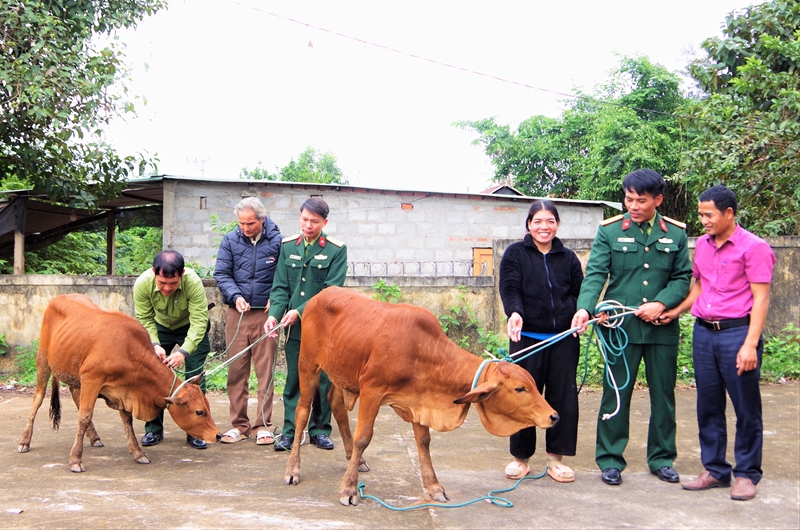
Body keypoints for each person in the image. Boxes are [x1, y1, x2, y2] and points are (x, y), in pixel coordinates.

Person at [571, 168, 692, 486]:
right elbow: (596, 273)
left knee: (663, 395)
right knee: (616, 393)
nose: (633, 206)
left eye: (641, 200)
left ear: (658, 200)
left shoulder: (676, 234)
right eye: (629, 199)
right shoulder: (610, 231)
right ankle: (611, 459)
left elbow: (682, 277)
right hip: (620, 328)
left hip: (661, 327)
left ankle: (662, 458)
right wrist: (585, 307)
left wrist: (661, 302)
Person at [659, 185, 775, 501]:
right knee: (708, 404)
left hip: (737, 333)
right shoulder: (703, 245)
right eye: (701, 215)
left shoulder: (754, 248)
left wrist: (750, 344)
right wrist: (675, 312)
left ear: (729, 213)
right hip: (704, 333)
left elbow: (761, 299)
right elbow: (699, 286)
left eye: (709, 215)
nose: (704, 221)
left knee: (745, 407)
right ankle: (715, 469)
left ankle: (747, 474)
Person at [499, 200, 584, 483]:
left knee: (562, 398)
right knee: (522, 398)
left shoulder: (568, 258)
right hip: (527, 341)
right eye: (538, 221)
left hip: (563, 340)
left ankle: (555, 460)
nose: (544, 227)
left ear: (557, 224)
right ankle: (520, 458)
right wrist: (515, 312)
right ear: (529, 224)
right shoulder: (515, 254)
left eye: (550, 221)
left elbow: (579, 291)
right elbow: (509, 288)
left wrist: (581, 312)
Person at [264, 197, 347, 452]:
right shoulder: (288, 246)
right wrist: (274, 314)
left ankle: (319, 430)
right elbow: (280, 287)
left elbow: (330, 291)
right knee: (294, 380)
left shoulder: (336, 250)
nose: (308, 225)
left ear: (325, 222)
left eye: (314, 221)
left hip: (323, 328)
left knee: (322, 381)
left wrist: (299, 312)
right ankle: (290, 431)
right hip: (296, 330)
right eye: (304, 219)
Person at [214, 197, 283, 445]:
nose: (245, 228)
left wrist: (276, 299)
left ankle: (263, 425)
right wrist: (236, 296)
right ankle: (239, 425)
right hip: (238, 313)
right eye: (241, 223)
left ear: (262, 220)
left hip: (266, 314)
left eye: (250, 223)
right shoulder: (230, 240)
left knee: (265, 371)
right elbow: (222, 273)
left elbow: (284, 276)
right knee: (236, 371)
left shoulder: (278, 242)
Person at [133, 250, 211, 449]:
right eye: (162, 283)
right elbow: (144, 319)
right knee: (153, 377)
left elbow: (199, 320)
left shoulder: (193, 282)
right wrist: (154, 344)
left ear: (182, 274)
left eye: (173, 283)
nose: (167, 288)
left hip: (190, 328)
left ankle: (195, 432)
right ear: (154, 272)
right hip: (159, 328)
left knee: (195, 379)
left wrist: (183, 352)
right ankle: (153, 429)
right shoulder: (142, 284)